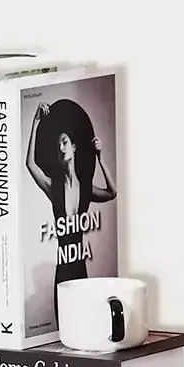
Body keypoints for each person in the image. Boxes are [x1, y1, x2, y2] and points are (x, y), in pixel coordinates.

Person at [24, 96, 116, 289]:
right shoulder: (53, 188)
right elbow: (30, 164)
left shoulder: (85, 188)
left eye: (64, 142)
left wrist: (100, 158)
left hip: (80, 267)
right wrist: (36, 121)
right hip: (63, 270)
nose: (61, 147)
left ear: (74, 147)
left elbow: (112, 192)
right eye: (58, 146)